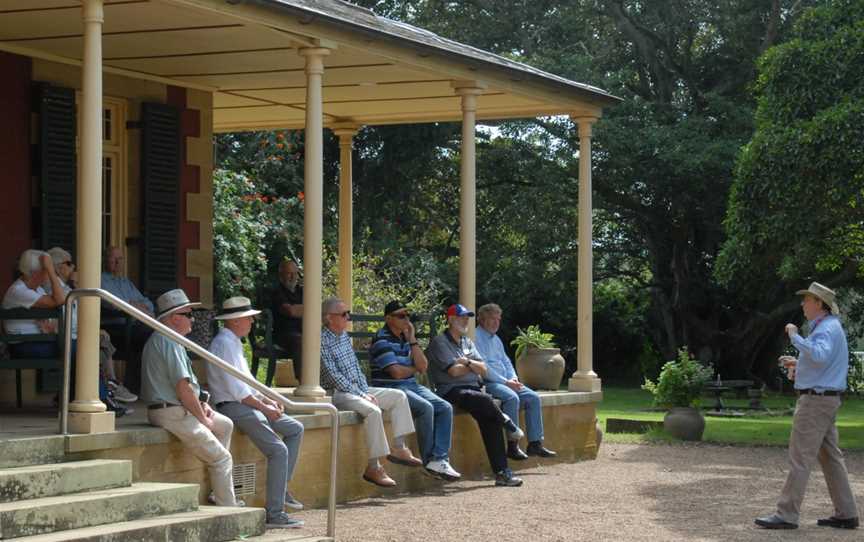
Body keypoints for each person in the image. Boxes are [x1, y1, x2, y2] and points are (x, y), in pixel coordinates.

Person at [755, 282, 859, 530]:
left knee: (800, 458)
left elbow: (820, 355)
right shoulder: (830, 327)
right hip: (826, 400)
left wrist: (794, 336)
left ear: (819, 304)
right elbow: (821, 362)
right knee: (832, 457)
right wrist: (798, 364)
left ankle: (787, 514)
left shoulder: (825, 329)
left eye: (807, 300)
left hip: (815, 402)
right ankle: (847, 513)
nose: (803, 304)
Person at [207, 296, 305, 529]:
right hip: (232, 406)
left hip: (244, 403)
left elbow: (248, 382)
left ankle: (282, 490)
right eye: (249, 318)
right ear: (237, 320)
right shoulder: (224, 343)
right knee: (278, 450)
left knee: (295, 428)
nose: (252, 321)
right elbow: (237, 390)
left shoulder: (233, 342)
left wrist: (268, 399)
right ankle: (275, 513)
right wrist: (264, 407)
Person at [141, 289, 241, 508]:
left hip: (176, 408)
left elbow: (188, 388)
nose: (193, 319)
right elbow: (183, 389)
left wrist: (203, 404)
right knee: (222, 458)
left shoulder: (171, 339)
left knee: (225, 425)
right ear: (174, 318)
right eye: (188, 314)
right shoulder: (168, 340)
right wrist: (202, 418)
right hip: (171, 411)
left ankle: (218, 490)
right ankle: (229, 510)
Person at [320, 297, 423, 487]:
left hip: (356, 389)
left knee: (399, 396)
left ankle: (399, 448)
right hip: (335, 393)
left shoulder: (343, 335)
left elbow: (355, 368)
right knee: (373, 410)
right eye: (344, 314)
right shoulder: (321, 340)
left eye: (348, 313)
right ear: (329, 318)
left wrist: (363, 390)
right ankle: (374, 467)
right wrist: (362, 394)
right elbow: (333, 376)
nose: (348, 317)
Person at [425, 304, 524, 487]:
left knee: (490, 418)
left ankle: (503, 473)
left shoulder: (467, 342)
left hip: (474, 391)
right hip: (451, 390)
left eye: (467, 318)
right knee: (486, 400)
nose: (465, 321)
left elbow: (484, 369)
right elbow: (453, 372)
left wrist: (467, 361)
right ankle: (507, 422)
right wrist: (472, 366)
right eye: (462, 317)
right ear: (451, 320)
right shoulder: (440, 342)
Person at [369, 300, 461, 481]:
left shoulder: (406, 338)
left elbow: (423, 366)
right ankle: (429, 462)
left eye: (408, 316)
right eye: (401, 316)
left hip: (411, 385)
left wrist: (412, 339)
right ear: (388, 318)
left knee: (444, 407)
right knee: (425, 408)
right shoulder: (381, 339)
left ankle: (439, 459)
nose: (406, 320)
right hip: (392, 388)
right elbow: (395, 373)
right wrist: (413, 369)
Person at [46, 247, 137, 405]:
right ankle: (105, 391)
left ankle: (108, 386)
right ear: (58, 267)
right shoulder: (55, 288)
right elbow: (68, 313)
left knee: (100, 340)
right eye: (69, 263)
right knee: (94, 345)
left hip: (72, 332)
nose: (74, 267)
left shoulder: (63, 286)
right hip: (65, 335)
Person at [475, 303, 556, 460]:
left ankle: (535, 443)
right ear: (482, 319)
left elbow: (506, 362)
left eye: (498, 319)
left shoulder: (496, 339)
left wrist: (513, 378)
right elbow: (484, 369)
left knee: (533, 398)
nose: (496, 322)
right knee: (512, 397)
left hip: (506, 381)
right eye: (492, 319)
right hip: (490, 383)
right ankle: (513, 446)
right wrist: (507, 382)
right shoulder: (476, 337)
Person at [101, 246, 154, 394]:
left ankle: (138, 385)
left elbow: (148, 304)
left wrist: (134, 305)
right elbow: (113, 303)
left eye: (120, 259)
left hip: (133, 325)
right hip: (114, 326)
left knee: (154, 334)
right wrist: (133, 305)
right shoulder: (100, 279)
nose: (118, 262)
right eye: (114, 258)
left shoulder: (126, 282)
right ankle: (134, 386)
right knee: (147, 334)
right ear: (105, 260)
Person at [2, 249, 66, 358]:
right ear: (36, 273)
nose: (48, 273)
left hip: (37, 340)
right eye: (46, 270)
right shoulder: (19, 291)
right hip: (24, 345)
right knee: (73, 350)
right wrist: (51, 270)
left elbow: (58, 302)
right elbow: (60, 300)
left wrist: (50, 327)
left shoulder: (37, 289)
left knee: (74, 347)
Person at [270, 259, 303, 382]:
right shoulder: (276, 292)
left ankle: (325, 380)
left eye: (295, 273)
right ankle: (304, 381)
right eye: (289, 273)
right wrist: (309, 308)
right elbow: (290, 311)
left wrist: (299, 309)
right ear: (281, 275)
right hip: (283, 335)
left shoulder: (302, 291)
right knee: (300, 340)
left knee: (321, 338)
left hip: (302, 331)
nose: (293, 276)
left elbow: (317, 307)